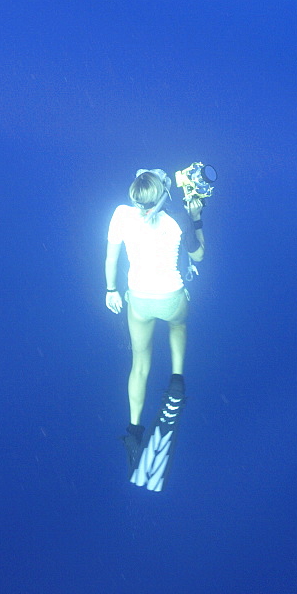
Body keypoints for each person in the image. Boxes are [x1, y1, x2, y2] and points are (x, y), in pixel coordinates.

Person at [105, 169, 205, 486]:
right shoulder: (177, 218)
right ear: (164, 193)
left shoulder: (121, 214)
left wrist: (110, 290)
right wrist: (197, 218)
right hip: (170, 296)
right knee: (178, 325)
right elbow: (200, 255)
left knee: (140, 362)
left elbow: (111, 259)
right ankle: (176, 380)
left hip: (139, 300)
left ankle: (134, 431)